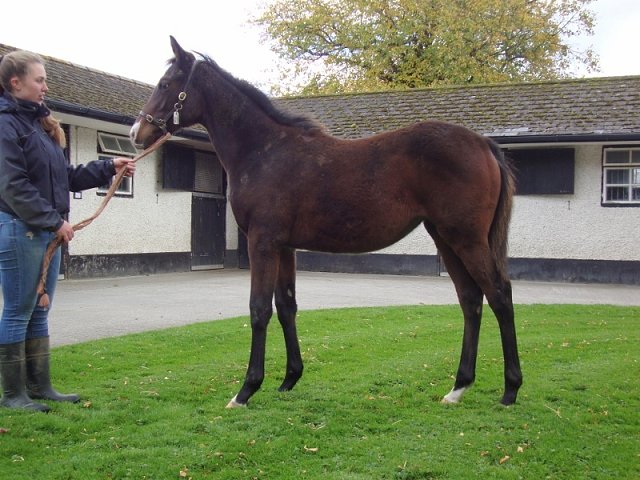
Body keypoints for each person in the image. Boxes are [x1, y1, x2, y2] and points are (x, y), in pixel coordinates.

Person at [0, 50, 135, 412]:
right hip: (20, 229)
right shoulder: (5, 125)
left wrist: (110, 166)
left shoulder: (38, 127)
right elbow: (12, 186)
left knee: (39, 311)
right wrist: (54, 220)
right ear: (16, 82)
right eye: (39, 79)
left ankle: (40, 387)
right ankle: (14, 395)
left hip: (46, 232)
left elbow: (65, 177)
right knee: (18, 310)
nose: (45, 86)